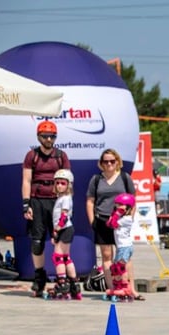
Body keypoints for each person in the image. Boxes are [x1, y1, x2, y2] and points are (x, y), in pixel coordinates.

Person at [22, 120, 71, 296]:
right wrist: (26, 204)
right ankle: (39, 277)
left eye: (52, 136)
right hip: (37, 200)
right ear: (39, 137)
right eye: (45, 136)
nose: (49, 139)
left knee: (60, 240)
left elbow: (68, 181)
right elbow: (26, 180)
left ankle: (63, 279)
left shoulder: (61, 156)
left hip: (56, 202)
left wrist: (67, 205)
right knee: (37, 242)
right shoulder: (31, 156)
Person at [86, 148, 140, 299]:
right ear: (101, 163)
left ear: (117, 162)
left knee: (124, 256)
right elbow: (90, 201)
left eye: (112, 161)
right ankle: (112, 288)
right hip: (103, 219)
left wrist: (129, 218)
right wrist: (93, 221)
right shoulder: (96, 179)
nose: (109, 164)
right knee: (106, 255)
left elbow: (133, 200)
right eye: (106, 161)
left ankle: (131, 288)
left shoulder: (124, 177)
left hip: (121, 221)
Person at [46, 170, 81, 299]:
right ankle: (74, 285)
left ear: (68, 185)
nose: (60, 185)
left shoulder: (66, 199)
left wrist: (56, 230)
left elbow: (64, 216)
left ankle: (62, 284)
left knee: (58, 257)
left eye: (63, 183)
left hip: (64, 229)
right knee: (66, 257)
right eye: (57, 183)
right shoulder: (61, 198)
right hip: (66, 229)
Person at [104, 193, 136, 301]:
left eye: (121, 205)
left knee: (120, 268)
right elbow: (108, 224)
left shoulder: (127, 219)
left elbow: (112, 223)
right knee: (115, 268)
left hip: (125, 247)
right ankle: (119, 286)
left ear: (128, 207)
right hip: (121, 247)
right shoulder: (121, 217)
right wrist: (116, 213)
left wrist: (116, 214)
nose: (118, 207)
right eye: (117, 205)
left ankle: (124, 287)